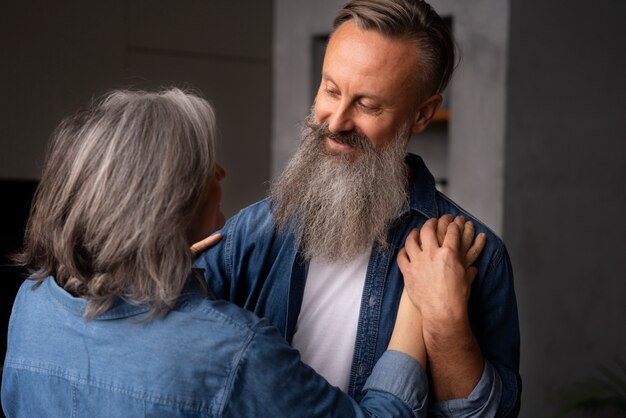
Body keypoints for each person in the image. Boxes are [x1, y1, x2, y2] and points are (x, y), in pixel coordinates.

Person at [0, 88, 482, 417]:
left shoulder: (33, 302)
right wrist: (419, 308)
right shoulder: (230, 350)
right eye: (203, 167)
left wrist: (158, 262)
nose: (221, 173)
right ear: (164, 203)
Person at [194, 0, 521, 416]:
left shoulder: (477, 255)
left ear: (422, 114)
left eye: (367, 105)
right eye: (330, 90)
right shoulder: (252, 232)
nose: (335, 121)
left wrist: (445, 320)